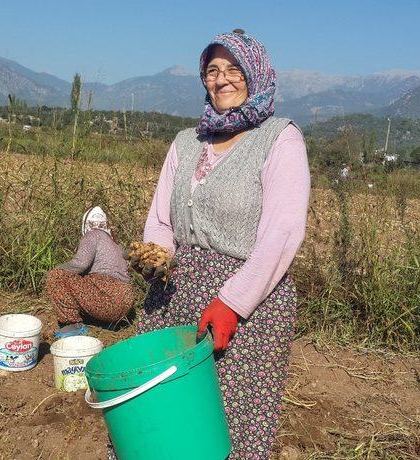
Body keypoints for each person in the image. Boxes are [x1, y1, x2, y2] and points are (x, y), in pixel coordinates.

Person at [127, 30, 311, 459]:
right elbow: (160, 220)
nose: (222, 79)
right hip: (174, 295)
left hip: (247, 305)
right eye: (212, 70)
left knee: (228, 422)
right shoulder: (186, 142)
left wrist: (232, 301)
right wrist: (155, 256)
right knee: (163, 412)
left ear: (256, 74)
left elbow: (283, 233)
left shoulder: (281, 139)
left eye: (233, 69)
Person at [45, 206, 135, 326]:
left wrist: (56, 269)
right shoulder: (115, 245)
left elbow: (80, 264)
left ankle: (72, 326)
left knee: (56, 276)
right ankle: (100, 323)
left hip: (108, 297)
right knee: (82, 280)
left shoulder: (93, 234)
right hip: (126, 301)